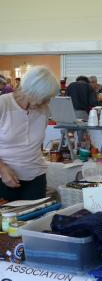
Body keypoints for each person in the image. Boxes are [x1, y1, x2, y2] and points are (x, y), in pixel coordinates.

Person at [0, 66, 59, 201]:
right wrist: (2, 169)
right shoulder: (3, 105)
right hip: (4, 178)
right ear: (31, 91)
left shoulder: (43, 109)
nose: (47, 102)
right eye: (44, 98)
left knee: (35, 220)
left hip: (36, 177)